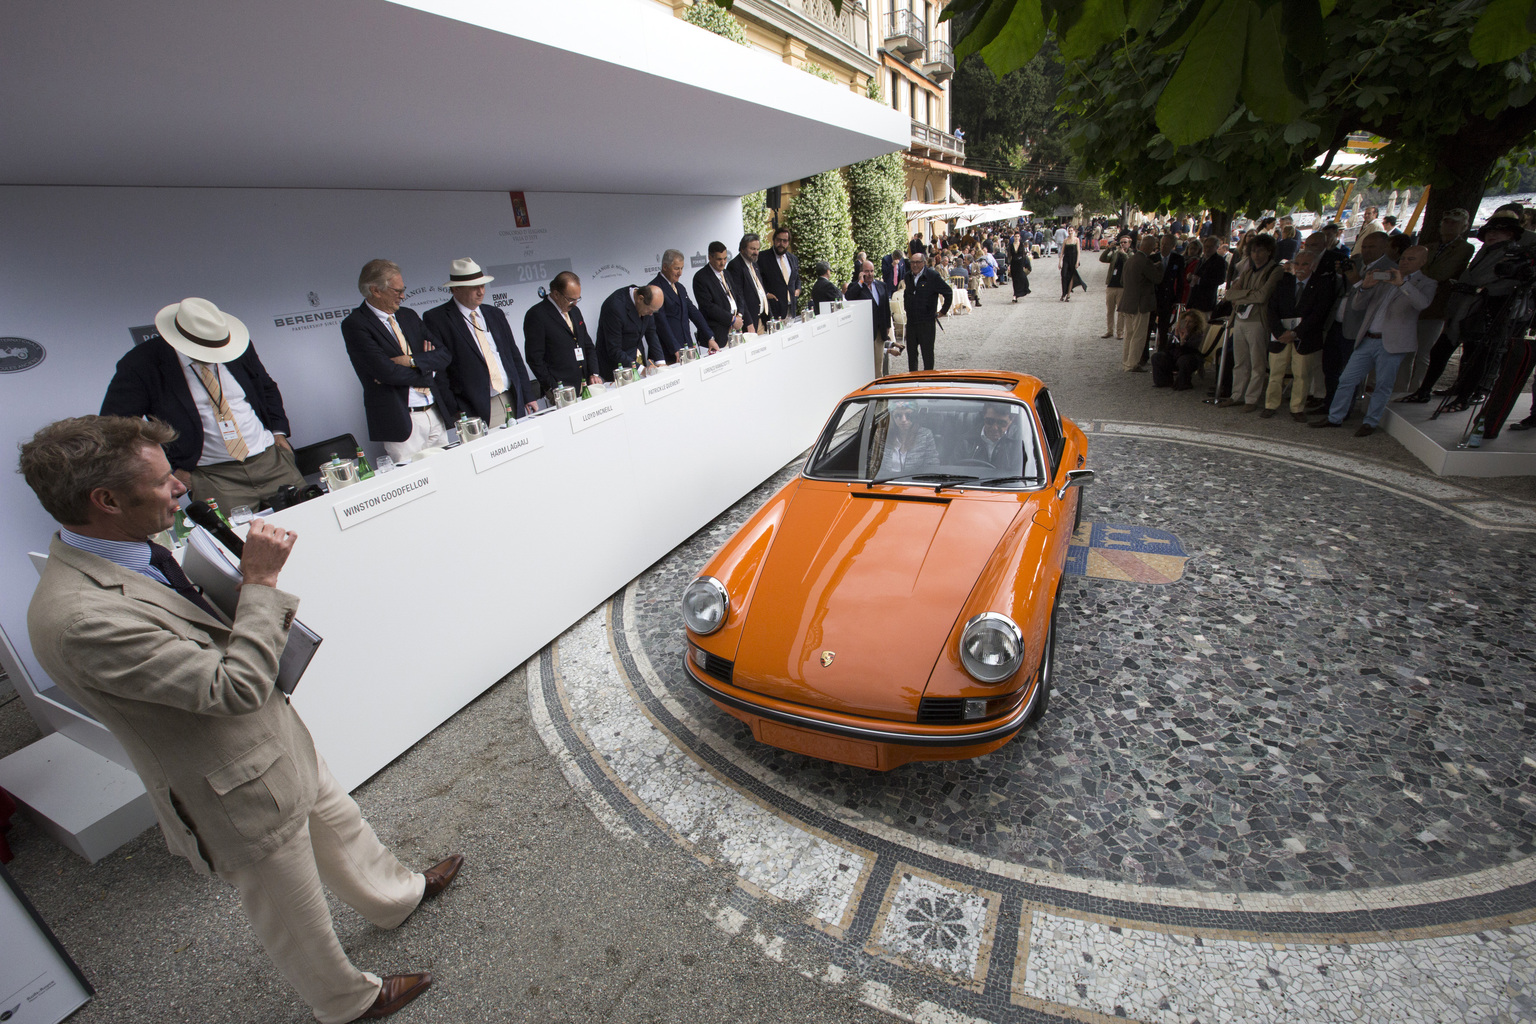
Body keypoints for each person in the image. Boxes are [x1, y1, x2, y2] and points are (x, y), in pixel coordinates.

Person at [20, 415, 463, 1024]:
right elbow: (231, 688)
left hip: (273, 742)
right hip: (228, 786)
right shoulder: (78, 618)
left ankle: (397, 897)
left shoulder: (128, 549)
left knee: (341, 826)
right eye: (160, 480)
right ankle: (348, 1002)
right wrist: (259, 582)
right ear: (105, 501)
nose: (180, 485)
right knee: (292, 912)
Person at [100, 298, 305, 511]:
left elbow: (266, 387)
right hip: (212, 476)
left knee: (308, 521)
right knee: (236, 541)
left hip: (271, 460)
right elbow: (116, 428)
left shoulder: (235, 345)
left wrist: (279, 433)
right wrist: (169, 470)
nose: (215, 355)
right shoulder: (142, 363)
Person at [340, 260, 455, 465]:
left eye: (404, 290)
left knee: (449, 470)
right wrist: (428, 370)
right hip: (402, 420)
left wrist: (410, 360)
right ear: (375, 291)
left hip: (434, 411)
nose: (402, 296)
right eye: (397, 291)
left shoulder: (408, 315)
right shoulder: (355, 325)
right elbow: (387, 372)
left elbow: (444, 355)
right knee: (416, 482)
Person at [1311, 245, 1433, 435]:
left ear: (1422, 262)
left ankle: (1371, 422)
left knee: (1383, 384)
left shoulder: (1425, 282)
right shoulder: (1384, 277)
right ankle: (1335, 417)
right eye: (1403, 258)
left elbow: (1422, 304)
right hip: (1368, 338)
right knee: (1346, 379)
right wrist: (1364, 287)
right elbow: (1358, 305)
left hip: (1392, 342)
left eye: (1411, 259)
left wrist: (1402, 284)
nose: (1405, 262)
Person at [423, 258, 537, 427]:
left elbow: (513, 355)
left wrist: (527, 395)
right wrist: (455, 409)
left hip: (512, 397)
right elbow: (440, 370)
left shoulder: (494, 313)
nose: (480, 292)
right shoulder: (437, 319)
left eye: (482, 286)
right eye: (473, 287)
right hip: (474, 406)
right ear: (455, 289)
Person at [1398, 209, 1475, 401]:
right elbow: (1416, 271)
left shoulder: (1464, 248)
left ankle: (1417, 389)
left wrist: (1422, 270)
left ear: (1463, 227)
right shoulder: (1430, 246)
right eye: (1446, 221)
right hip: (1415, 303)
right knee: (1407, 351)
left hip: (1437, 307)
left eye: (1454, 223)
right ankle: (1400, 390)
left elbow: (1440, 273)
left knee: (1424, 352)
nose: (1449, 226)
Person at [1261, 249, 1337, 420]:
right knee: (1275, 373)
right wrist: (1280, 332)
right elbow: (1271, 310)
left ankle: (1297, 408)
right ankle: (1270, 405)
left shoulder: (1321, 285)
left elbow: (1319, 314)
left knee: (1302, 375)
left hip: (1305, 337)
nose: (1300, 267)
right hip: (1280, 336)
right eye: (1297, 263)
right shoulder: (1283, 283)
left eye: (1305, 264)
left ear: (1313, 266)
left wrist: (1295, 333)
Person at [1218, 234, 1283, 409]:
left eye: (1260, 251)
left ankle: (1252, 399)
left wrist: (1243, 296)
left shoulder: (1275, 270)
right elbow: (1230, 294)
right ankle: (1236, 394)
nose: (1256, 255)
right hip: (1240, 319)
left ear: (1269, 252)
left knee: (1257, 362)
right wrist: (1248, 294)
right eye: (1253, 251)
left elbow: (1263, 296)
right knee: (1240, 361)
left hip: (1258, 321)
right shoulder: (1248, 271)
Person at [523, 271, 601, 398]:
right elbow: (535, 358)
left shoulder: (575, 311)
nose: (575, 303)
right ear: (556, 294)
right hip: (561, 390)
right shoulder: (537, 315)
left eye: (577, 299)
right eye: (571, 299)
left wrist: (594, 373)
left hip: (586, 384)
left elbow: (587, 344)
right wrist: (552, 387)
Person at [650, 249, 718, 359]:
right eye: (676, 268)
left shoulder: (680, 287)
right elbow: (661, 323)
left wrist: (709, 337)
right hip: (669, 352)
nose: (680, 273)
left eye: (681, 268)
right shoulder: (655, 289)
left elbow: (693, 312)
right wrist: (675, 349)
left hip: (687, 347)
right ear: (665, 267)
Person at [594, 283, 665, 379]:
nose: (651, 314)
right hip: (617, 366)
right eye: (650, 310)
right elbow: (614, 349)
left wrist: (660, 363)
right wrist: (641, 369)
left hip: (636, 357)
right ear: (640, 299)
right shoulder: (614, 307)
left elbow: (651, 333)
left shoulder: (648, 304)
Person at [901, 251, 953, 372]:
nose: (914, 265)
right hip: (912, 322)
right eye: (912, 262)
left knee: (927, 353)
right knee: (912, 354)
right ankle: (913, 380)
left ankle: (928, 379)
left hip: (926, 322)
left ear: (923, 263)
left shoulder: (932, 276)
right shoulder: (908, 276)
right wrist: (906, 306)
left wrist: (943, 311)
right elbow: (907, 293)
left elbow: (948, 292)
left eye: (917, 262)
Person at [1118, 236, 1164, 372]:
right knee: (1138, 335)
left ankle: (1126, 362)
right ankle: (1133, 363)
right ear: (1151, 247)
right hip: (1140, 303)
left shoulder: (1130, 260)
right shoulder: (1145, 262)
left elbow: (1122, 281)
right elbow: (1157, 279)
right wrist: (1160, 267)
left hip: (1128, 301)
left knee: (1129, 335)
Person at [845, 259, 897, 377]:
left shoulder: (881, 285)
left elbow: (885, 307)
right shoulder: (856, 286)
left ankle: (878, 389)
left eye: (872, 271)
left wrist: (888, 325)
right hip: (864, 332)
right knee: (865, 364)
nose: (870, 274)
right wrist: (860, 282)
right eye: (867, 271)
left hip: (879, 331)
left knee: (878, 363)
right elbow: (849, 297)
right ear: (861, 272)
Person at [694, 241, 746, 346]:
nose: (723, 263)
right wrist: (731, 319)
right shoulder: (701, 277)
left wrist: (739, 315)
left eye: (725, 258)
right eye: (719, 259)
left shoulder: (726, 273)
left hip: (735, 330)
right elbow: (708, 307)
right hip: (717, 334)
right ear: (710, 257)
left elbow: (738, 295)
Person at [873, 401, 938, 476]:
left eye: (908, 415)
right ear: (892, 418)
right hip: (884, 483)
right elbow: (872, 464)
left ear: (915, 416)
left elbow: (932, 465)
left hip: (914, 483)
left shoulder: (925, 435)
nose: (903, 420)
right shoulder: (882, 434)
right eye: (898, 415)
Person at [1150, 308, 1208, 391]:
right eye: (1185, 321)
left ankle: (1183, 383)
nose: (1187, 324)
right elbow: (1168, 347)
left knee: (1184, 360)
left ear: (1196, 323)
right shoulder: (1178, 330)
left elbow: (1190, 350)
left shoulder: (1198, 334)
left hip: (1190, 356)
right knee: (1157, 357)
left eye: (1190, 322)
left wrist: (1183, 341)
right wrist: (1176, 336)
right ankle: (1164, 381)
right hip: (1176, 354)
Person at [963, 403, 1026, 477]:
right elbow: (955, 471)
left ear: (1011, 420)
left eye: (1001, 423)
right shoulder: (966, 441)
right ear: (984, 417)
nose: (994, 428)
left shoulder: (1020, 443)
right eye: (989, 421)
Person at [727, 233, 769, 330]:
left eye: (758, 249)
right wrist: (748, 322)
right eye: (752, 249)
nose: (756, 252)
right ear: (742, 249)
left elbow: (760, 289)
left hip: (761, 320)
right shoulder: (735, 266)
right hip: (749, 324)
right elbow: (739, 296)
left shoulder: (754, 264)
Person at [758, 227, 802, 319]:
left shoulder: (793, 258)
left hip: (791, 308)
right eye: (778, 240)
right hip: (774, 309)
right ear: (774, 240)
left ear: (788, 242)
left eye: (784, 241)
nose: (781, 244)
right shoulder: (762, 258)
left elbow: (796, 277)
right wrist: (766, 294)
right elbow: (758, 279)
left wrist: (798, 289)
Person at [1153, 233, 1185, 348]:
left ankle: (1162, 350)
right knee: (1149, 326)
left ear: (1173, 246)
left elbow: (1181, 281)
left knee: (1164, 327)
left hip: (1168, 297)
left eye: (1166, 244)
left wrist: (1178, 299)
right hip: (1153, 296)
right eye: (1162, 244)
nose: (1163, 246)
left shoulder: (1178, 259)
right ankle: (1144, 355)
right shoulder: (1153, 258)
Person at [1184, 235, 1226, 315]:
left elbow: (1220, 279)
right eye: (1206, 246)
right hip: (1195, 298)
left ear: (1216, 247)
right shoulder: (1201, 259)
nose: (1207, 249)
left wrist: (1200, 280)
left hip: (1206, 299)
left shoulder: (1219, 261)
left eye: (1210, 247)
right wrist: (1190, 278)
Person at [1098, 235, 1131, 337]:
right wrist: (1108, 249)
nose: (1122, 244)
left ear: (1129, 244)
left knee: (1121, 312)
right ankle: (1110, 330)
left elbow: (1129, 263)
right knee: (1110, 310)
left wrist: (1123, 254)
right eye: (1121, 242)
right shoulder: (1115, 253)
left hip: (1122, 286)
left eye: (1125, 242)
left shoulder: (1131, 254)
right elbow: (1103, 259)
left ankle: (1120, 332)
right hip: (1111, 285)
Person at [1008, 233, 1032, 302]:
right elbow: (1009, 255)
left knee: (1022, 277)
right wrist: (1009, 264)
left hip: (1020, 263)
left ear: (1019, 237)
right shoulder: (1011, 245)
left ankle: (1023, 290)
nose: (1016, 238)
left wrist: (1024, 264)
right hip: (1013, 263)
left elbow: (1023, 255)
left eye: (1018, 236)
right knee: (1015, 280)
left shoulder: (1021, 245)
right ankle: (1015, 295)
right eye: (1015, 236)